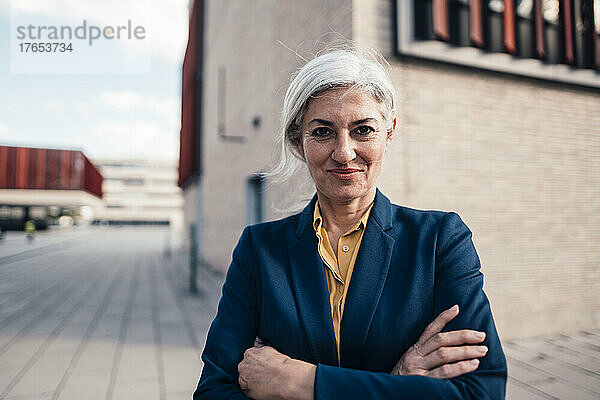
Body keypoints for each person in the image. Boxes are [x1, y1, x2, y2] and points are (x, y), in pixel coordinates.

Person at [193, 47, 507, 399]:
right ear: (299, 141)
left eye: (363, 129)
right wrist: (399, 380)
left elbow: (481, 392)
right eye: (323, 132)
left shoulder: (440, 242)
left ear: (389, 133)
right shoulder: (259, 249)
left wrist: (303, 382)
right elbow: (213, 392)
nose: (344, 152)